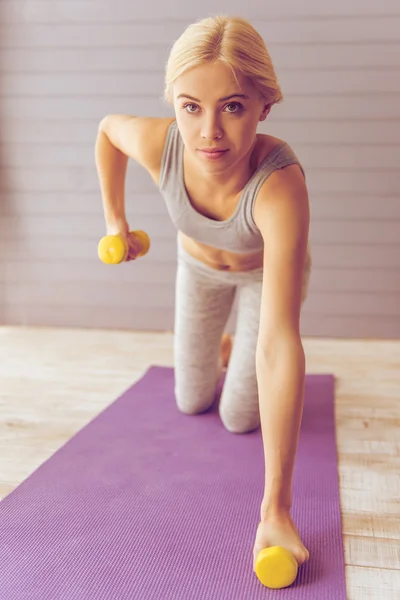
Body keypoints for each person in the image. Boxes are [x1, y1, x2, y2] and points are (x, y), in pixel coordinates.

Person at [95, 14, 311, 575]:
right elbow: (106, 130)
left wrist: (277, 508)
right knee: (191, 399)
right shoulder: (160, 142)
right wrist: (115, 221)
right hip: (198, 268)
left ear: (265, 104)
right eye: (191, 106)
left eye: (233, 106)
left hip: (265, 278)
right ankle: (224, 349)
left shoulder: (280, 186)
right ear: (175, 102)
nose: (209, 131)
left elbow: (281, 342)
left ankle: (240, 346)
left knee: (241, 416)